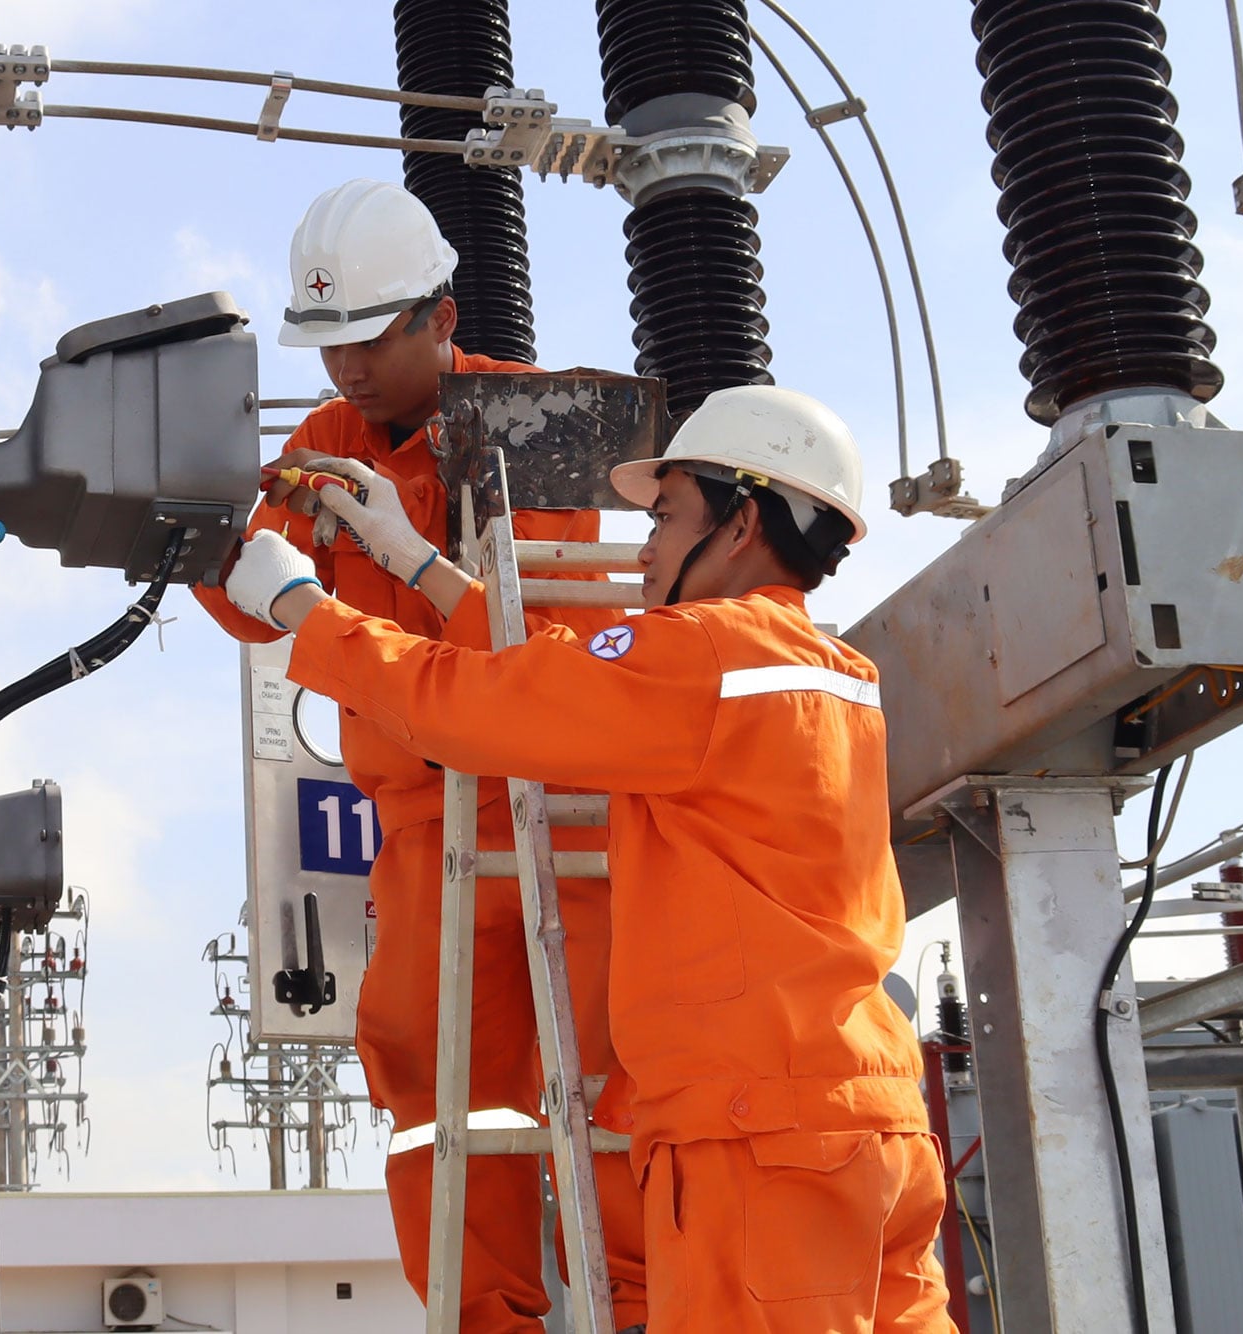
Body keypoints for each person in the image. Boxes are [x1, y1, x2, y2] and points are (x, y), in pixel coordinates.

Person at [223, 384, 956, 1334]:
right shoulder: (836, 676)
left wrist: (301, 610)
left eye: (666, 515)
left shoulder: (698, 661)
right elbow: (577, 678)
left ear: (740, 522)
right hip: (875, 1125)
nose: (644, 546)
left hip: (754, 1146)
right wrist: (416, 562)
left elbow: (479, 709)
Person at [192, 178, 650, 1333]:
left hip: (561, 813)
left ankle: (645, 1307)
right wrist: (211, 544)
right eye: (326, 344)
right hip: (419, 828)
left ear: (438, 319)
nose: (343, 371)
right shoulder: (320, 440)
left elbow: (535, 656)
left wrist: (401, 542)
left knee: (605, 1075)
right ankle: (484, 1316)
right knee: (426, 1082)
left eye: (362, 341)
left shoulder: (537, 423)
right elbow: (258, 602)